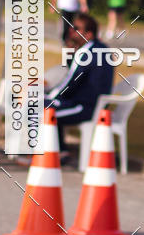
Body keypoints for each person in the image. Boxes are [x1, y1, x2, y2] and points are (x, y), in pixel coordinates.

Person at [45, 14, 113, 157]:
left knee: (45, 108)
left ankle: (55, 153)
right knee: (47, 104)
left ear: (88, 34)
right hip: (94, 105)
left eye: (76, 28)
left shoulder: (86, 53)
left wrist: (49, 95)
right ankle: (58, 150)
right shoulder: (101, 48)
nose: (71, 31)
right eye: (71, 27)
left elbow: (70, 82)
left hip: (85, 107)